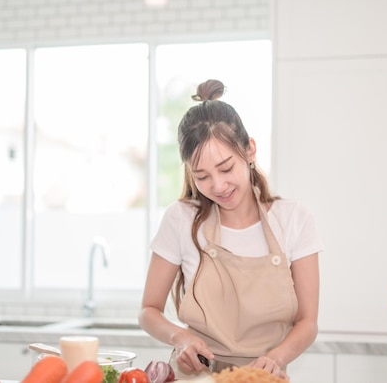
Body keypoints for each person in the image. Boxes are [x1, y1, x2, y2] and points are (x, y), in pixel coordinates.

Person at [138, 79, 322, 380]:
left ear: (249, 151)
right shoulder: (180, 219)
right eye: (202, 176)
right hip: (195, 376)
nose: (218, 186)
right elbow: (148, 310)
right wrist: (179, 338)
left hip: (262, 378)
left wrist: (276, 358)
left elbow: (307, 322)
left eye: (226, 168)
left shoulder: (294, 219)